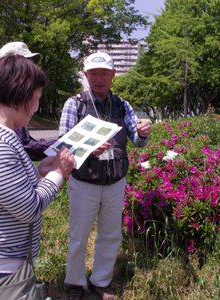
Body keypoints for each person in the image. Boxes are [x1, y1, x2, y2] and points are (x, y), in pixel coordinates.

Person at [0, 55, 75, 285]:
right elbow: (30, 210)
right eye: (37, 97)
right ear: (20, 93)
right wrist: (58, 173)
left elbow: (5, 187)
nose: (37, 107)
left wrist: (40, 171)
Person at [58, 52, 151, 300]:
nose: (99, 78)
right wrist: (88, 149)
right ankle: (75, 283)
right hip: (84, 181)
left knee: (111, 234)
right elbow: (63, 145)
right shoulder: (74, 104)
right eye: (94, 73)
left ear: (113, 75)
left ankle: (101, 280)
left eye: (104, 73)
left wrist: (143, 133)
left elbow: (138, 141)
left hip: (115, 181)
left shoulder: (122, 105)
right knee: (79, 236)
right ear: (86, 76)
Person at [0, 41, 55, 161]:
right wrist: (57, 171)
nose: (32, 72)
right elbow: (23, 148)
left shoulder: (11, 108)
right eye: (25, 67)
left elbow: (24, 141)